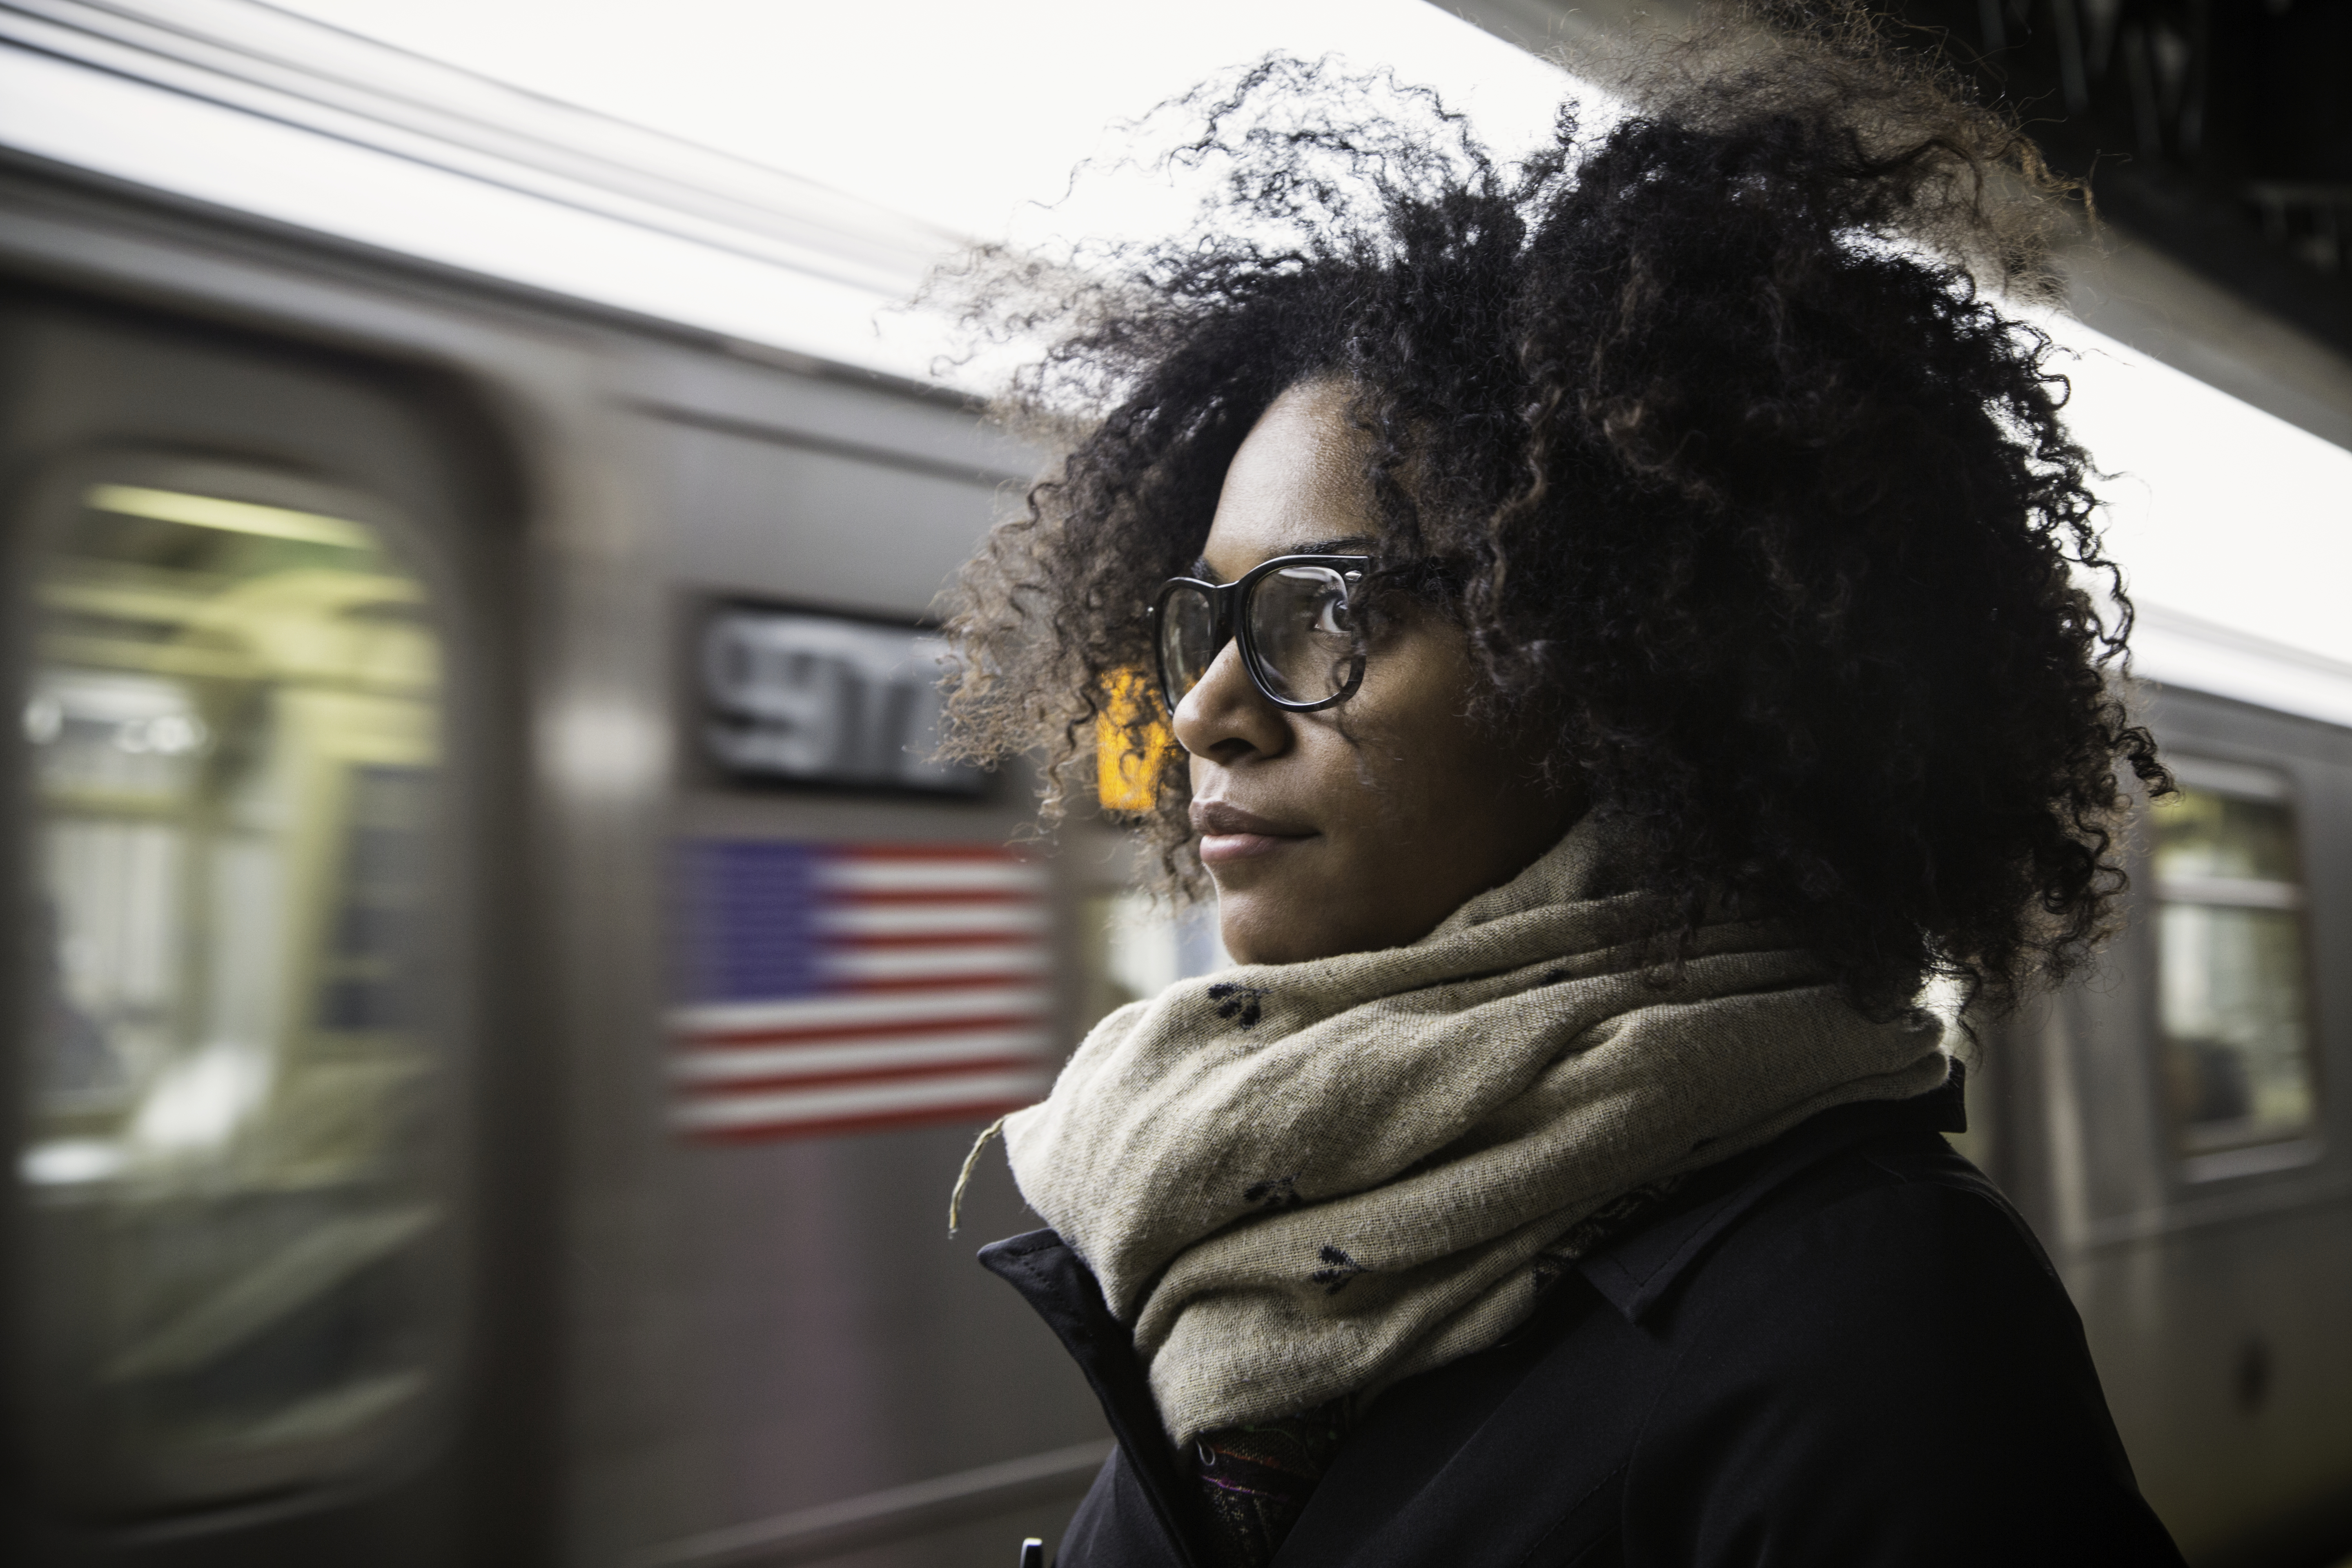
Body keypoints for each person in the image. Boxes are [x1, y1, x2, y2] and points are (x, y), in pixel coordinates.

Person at [940, 7, 2187, 1564]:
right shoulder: (1234, 1247)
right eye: (1203, 619)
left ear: (1621, 665)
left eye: (1328, 608)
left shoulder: (1881, 1322)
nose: (1203, 713)